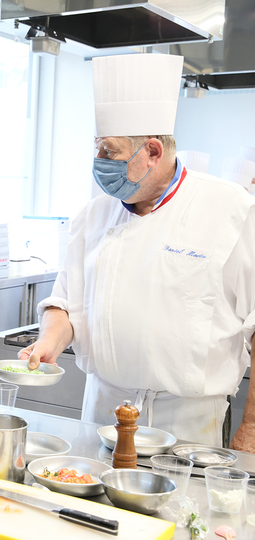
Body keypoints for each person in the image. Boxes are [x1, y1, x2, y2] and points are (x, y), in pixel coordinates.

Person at [19, 53, 255, 449]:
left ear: (153, 152)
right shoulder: (92, 215)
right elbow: (64, 303)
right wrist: (49, 341)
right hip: (101, 411)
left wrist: (250, 433)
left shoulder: (232, 210)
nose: (98, 163)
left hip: (186, 422)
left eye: (108, 151)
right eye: (96, 149)